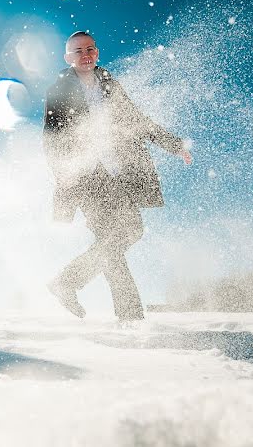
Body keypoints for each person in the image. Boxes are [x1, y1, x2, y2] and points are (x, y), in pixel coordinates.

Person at [43, 31, 192, 321]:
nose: (85, 55)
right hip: (86, 177)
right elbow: (51, 139)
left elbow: (137, 120)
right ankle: (130, 316)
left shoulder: (110, 85)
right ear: (67, 58)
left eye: (90, 49)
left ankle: (67, 282)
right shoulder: (59, 91)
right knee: (114, 238)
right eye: (78, 51)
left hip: (116, 175)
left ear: (97, 52)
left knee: (127, 233)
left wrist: (173, 145)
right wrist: (63, 174)